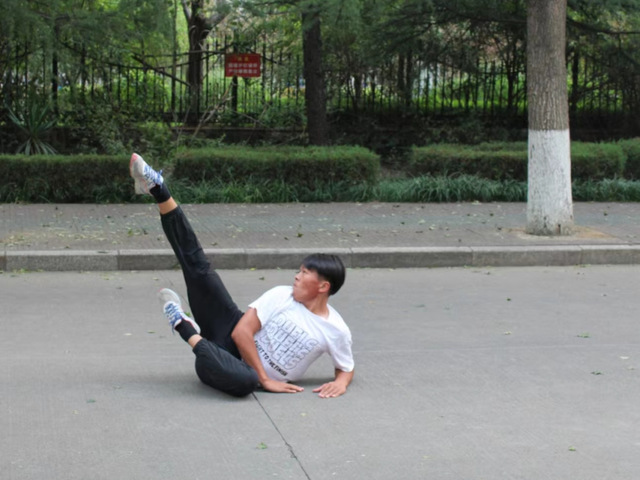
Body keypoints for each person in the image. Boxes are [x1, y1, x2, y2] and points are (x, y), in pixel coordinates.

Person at [129, 153, 355, 398]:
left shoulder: (336, 330)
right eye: (299, 271)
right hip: (228, 330)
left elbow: (346, 366)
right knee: (199, 268)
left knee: (246, 381)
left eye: (305, 273)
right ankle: (158, 189)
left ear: (323, 286)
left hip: (222, 365)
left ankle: (183, 326)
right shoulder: (282, 295)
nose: (296, 277)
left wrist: (341, 382)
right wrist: (266, 380)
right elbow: (240, 333)